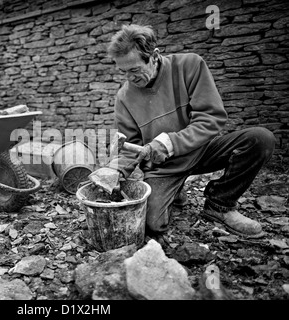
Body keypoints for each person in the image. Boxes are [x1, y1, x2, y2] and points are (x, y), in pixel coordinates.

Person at [89, 24, 276, 240]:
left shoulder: (189, 66)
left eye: (134, 69)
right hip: (165, 167)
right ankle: (175, 190)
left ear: (155, 56)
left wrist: (170, 143)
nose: (130, 78)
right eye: (123, 72)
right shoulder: (124, 98)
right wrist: (116, 170)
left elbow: (211, 118)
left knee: (260, 139)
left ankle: (220, 204)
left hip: (202, 150)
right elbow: (129, 145)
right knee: (153, 225)